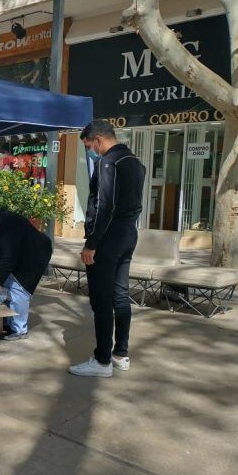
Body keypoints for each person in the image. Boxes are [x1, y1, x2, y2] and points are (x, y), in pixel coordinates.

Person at [69, 120, 146, 378]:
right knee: (121, 296)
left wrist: (92, 243)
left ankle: (102, 360)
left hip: (108, 238)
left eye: (90, 145)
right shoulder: (135, 162)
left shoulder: (107, 163)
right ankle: (120, 354)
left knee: (101, 300)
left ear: (99, 139)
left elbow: (104, 206)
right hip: (128, 234)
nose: (91, 151)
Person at [0, 208, 52, 341]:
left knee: (19, 289)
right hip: (22, 253)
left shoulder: (3, 230)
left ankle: (19, 329)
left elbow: (8, 261)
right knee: (7, 285)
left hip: (35, 255)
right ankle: (8, 319)